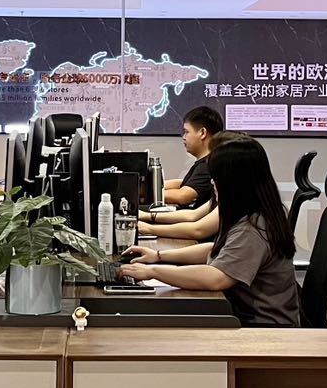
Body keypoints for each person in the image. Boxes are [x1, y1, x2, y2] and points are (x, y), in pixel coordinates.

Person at [120, 135, 300, 327]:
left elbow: (216, 278)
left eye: (217, 178)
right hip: (244, 316)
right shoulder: (250, 212)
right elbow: (217, 250)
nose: (213, 183)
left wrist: (152, 272)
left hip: (264, 329)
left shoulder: (254, 227)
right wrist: (158, 256)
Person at [140, 130, 248, 240]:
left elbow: (198, 230)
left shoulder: (239, 199)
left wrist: (149, 228)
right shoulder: (231, 192)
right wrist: (146, 216)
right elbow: (192, 215)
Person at [162, 105, 223, 207]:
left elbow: (183, 196)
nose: (184, 137)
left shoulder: (207, 165)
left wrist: (150, 195)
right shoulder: (205, 163)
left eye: (187, 132)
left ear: (202, 133)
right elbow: (187, 183)